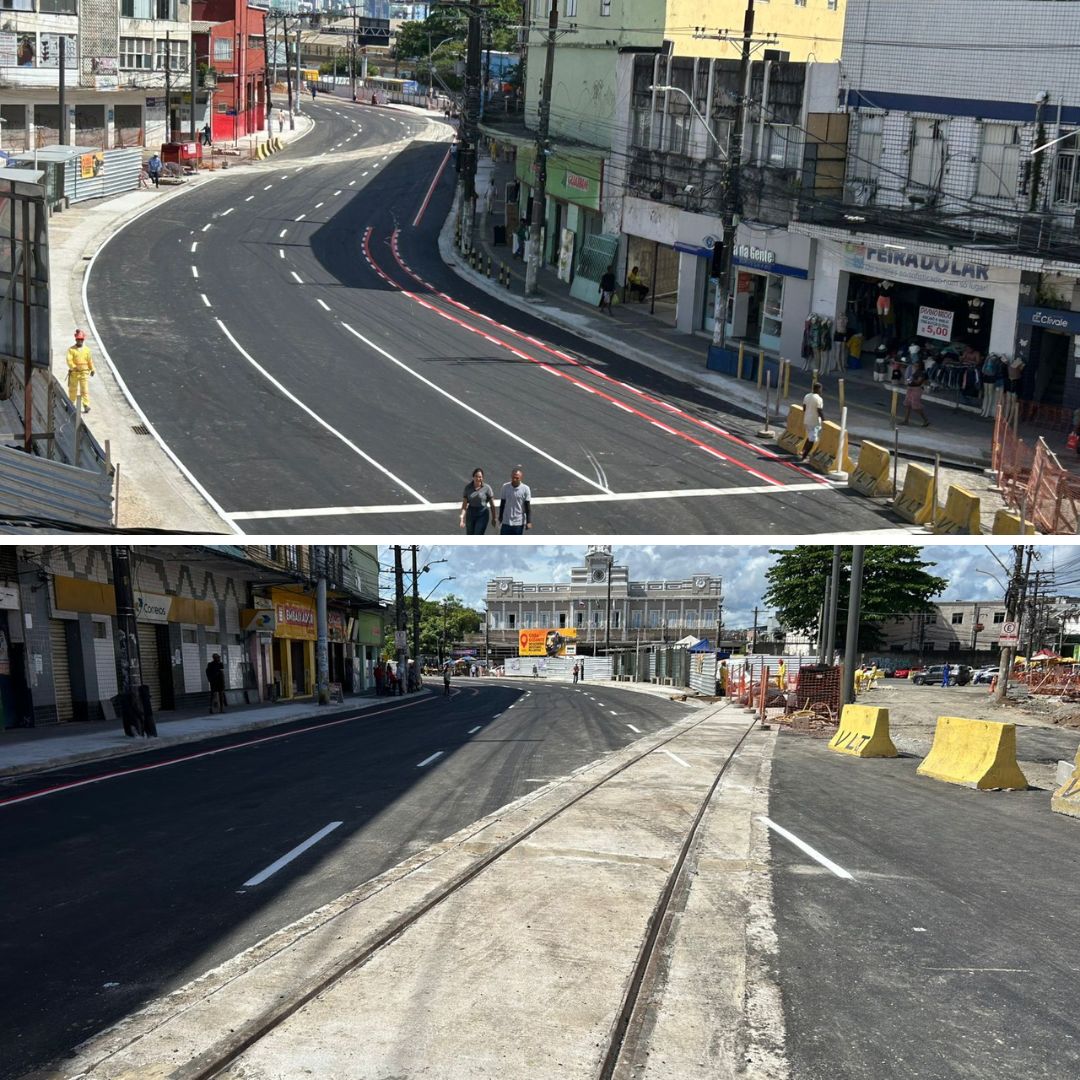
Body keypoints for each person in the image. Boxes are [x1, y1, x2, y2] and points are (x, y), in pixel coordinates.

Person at [66, 329, 95, 413]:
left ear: (83, 340)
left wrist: (92, 369)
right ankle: (71, 404)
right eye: (78, 339)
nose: (80, 341)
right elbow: (69, 360)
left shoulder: (87, 350)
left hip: (84, 373)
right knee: (72, 390)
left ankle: (86, 405)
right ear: (76, 339)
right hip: (74, 373)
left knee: (84, 389)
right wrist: (74, 367)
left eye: (81, 339)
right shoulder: (71, 350)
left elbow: (90, 361)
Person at [460, 468, 497, 534]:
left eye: (480, 477)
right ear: (473, 477)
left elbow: (492, 505)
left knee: (478, 533)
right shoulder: (468, 488)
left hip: (482, 514)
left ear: (482, 478)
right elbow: (464, 505)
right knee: (470, 534)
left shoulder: (487, 488)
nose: (478, 478)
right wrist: (462, 517)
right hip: (470, 514)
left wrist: (494, 518)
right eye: (476, 476)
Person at [498, 466, 532, 534]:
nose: (515, 479)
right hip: (506, 521)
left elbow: (527, 507)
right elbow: (502, 504)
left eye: (517, 478)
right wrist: (500, 517)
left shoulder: (526, 489)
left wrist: (528, 521)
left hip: (518, 522)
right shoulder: (505, 487)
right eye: (513, 477)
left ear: (521, 478)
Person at [899, 359, 930, 427]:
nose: (915, 366)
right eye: (914, 365)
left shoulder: (921, 373)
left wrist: (911, 379)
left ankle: (926, 420)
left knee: (915, 406)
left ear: (920, 366)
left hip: (916, 389)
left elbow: (918, 382)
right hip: (910, 388)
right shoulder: (915, 371)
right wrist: (909, 380)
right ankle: (906, 421)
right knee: (907, 405)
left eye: (916, 366)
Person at [799, 382, 824, 460]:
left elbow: (804, 408)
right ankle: (804, 456)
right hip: (814, 421)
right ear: (818, 389)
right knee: (812, 440)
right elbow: (819, 410)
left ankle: (803, 450)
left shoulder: (807, 396)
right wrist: (824, 420)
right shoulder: (819, 399)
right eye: (821, 389)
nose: (821, 391)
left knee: (810, 436)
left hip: (806, 420)